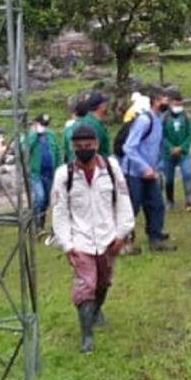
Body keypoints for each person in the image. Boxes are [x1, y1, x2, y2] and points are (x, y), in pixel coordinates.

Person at [51, 124, 135, 353]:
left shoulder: (110, 168)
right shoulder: (64, 175)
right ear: (73, 148)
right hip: (81, 240)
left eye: (88, 146)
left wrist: (121, 234)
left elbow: (124, 201)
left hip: (108, 237)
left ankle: (97, 311)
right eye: (79, 147)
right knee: (85, 285)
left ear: (96, 145)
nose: (84, 150)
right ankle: (86, 336)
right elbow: (59, 212)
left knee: (104, 281)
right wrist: (67, 245)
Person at [121, 89, 175, 251]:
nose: (168, 103)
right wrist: (143, 167)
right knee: (132, 206)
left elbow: (155, 148)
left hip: (150, 172)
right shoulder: (145, 120)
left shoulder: (158, 121)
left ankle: (155, 239)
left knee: (156, 204)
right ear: (156, 100)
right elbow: (129, 147)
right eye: (165, 99)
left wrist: (156, 169)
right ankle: (124, 242)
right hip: (134, 172)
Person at [162, 90, 191, 211]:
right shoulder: (164, 117)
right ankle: (170, 201)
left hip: (183, 152)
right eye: (176, 104)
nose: (178, 107)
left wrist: (182, 148)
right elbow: (162, 136)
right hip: (168, 154)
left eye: (180, 104)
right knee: (169, 179)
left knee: (187, 174)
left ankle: (189, 200)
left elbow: (190, 134)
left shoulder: (186, 116)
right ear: (170, 103)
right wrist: (170, 147)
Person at [27, 114, 62, 234]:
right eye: (42, 124)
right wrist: (34, 135)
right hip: (36, 173)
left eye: (45, 125)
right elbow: (24, 150)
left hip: (50, 172)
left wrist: (58, 168)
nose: (44, 127)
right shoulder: (29, 136)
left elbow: (57, 151)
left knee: (47, 200)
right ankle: (34, 222)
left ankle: (40, 225)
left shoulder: (50, 135)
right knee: (40, 197)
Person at [80, 92, 113, 158]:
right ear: (101, 106)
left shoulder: (89, 120)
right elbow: (92, 150)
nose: (107, 105)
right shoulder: (93, 125)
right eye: (105, 103)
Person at [62, 99, 88, 164]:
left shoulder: (68, 129)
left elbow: (66, 149)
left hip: (73, 163)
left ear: (75, 113)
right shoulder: (92, 126)